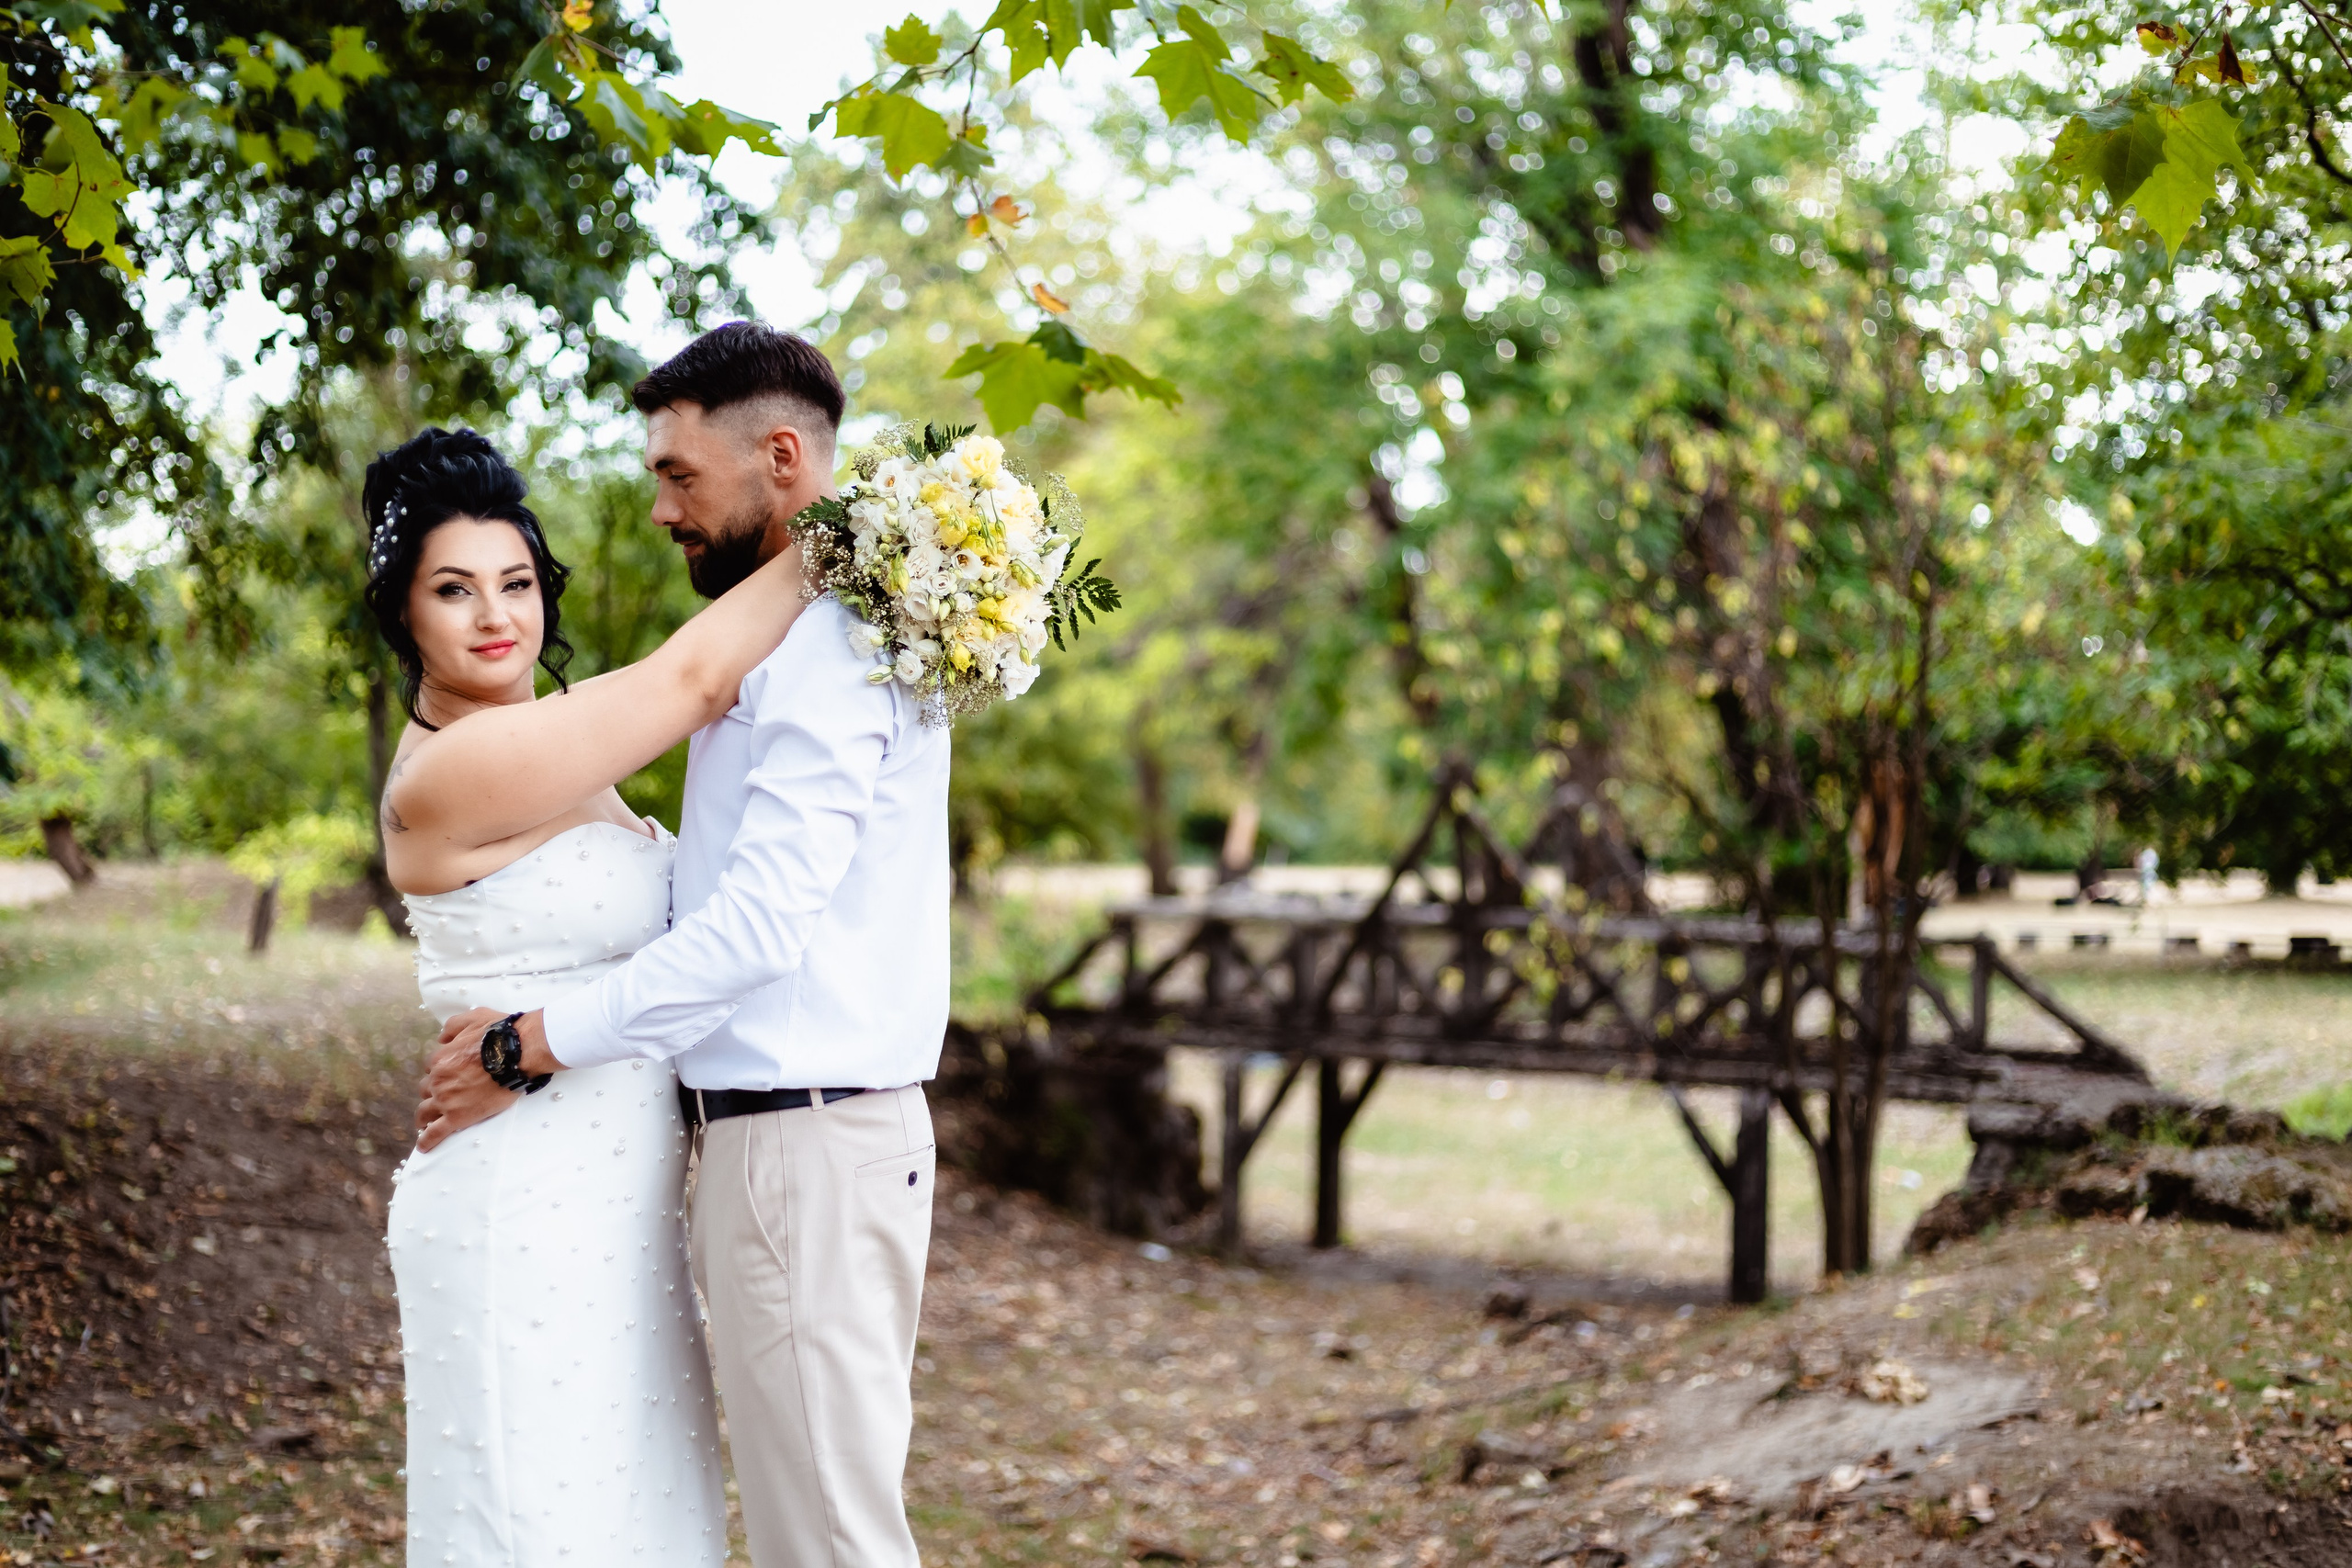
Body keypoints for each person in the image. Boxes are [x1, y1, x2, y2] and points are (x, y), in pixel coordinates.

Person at [415, 324, 952, 1568]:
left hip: (802, 1148)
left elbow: (758, 927)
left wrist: (531, 1039)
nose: (661, 507)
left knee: (828, 1537)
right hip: (808, 1142)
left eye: (677, 474)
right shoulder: (819, 629)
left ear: (778, 457)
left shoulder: (830, 645)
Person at [368, 424, 815, 1563]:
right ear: (403, 612)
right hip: (519, 1200)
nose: (494, 616)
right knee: (541, 1520)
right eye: (453, 590)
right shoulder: (452, 772)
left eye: (515, 581)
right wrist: (847, 537)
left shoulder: (549, 746)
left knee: (636, 1520)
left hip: (623, 1210)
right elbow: (698, 677)